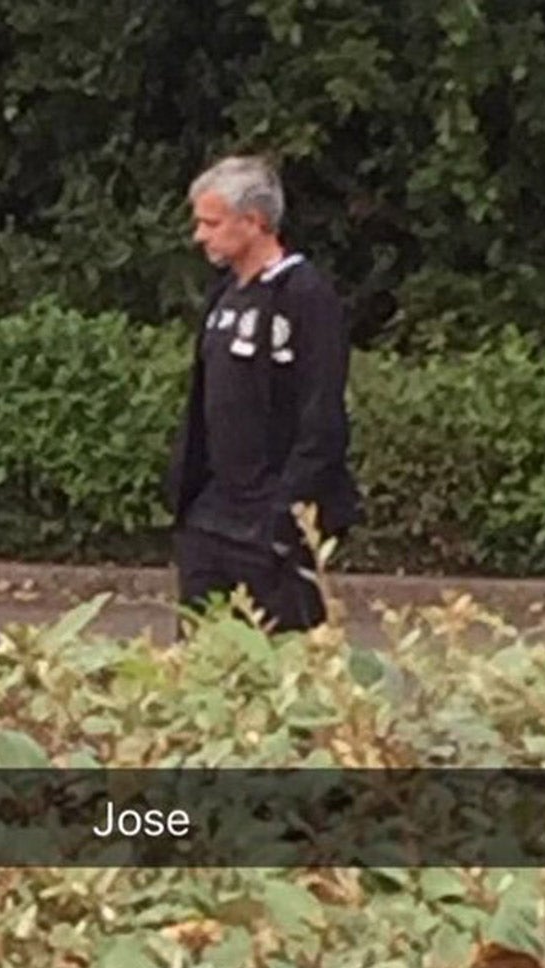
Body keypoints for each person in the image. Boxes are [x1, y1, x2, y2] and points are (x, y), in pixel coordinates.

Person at [165, 154, 362, 634]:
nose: (200, 236)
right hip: (211, 518)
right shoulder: (223, 295)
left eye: (211, 223)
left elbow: (322, 418)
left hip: (270, 525)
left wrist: (287, 517)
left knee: (279, 668)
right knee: (199, 660)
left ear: (253, 222)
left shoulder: (305, 296)